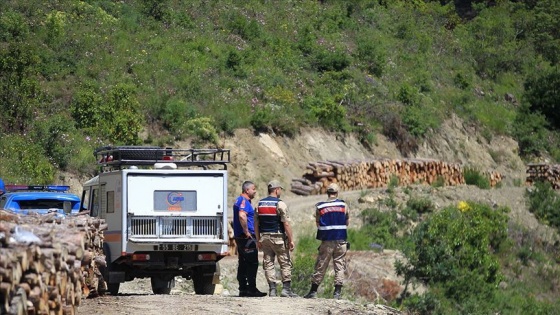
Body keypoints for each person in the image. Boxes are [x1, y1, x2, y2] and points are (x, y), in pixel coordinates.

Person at [304, 183, 349, 300]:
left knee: (321, 264)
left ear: (327, 193)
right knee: (339, 265)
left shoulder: (320, 207)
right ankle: (337, 294)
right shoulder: (344, 205)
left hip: (327, 241)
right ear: (337, 193)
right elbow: (347, 222)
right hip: (341, 240)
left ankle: (313, 292)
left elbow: (318, 223)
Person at [254, 180, 298, 298]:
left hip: (265, 238)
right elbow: (286, 224)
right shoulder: (280, 204)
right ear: (277, 190)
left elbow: (256, 224)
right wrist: (291, 240)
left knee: (268, 263)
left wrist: (258, 239)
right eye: (280, 190)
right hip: (278, 237)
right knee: (285, 262)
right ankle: (286, 289)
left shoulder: (259, 204)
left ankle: (272, 290)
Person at [232, 180, 267, 297]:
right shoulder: (243, 201)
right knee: (252, 263)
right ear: (247, 190)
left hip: (240, 237)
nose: (255, 191)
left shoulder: (239, 200)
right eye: (253, 189)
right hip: (246, 238)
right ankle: (251, 289)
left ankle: (243, 289)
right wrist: (246, 231)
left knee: (243, 262)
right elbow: (242, 215)